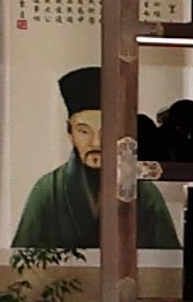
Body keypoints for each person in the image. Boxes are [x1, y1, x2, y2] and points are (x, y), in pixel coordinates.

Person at [9, 64, 172, 257]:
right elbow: (22, 259)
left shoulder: (144, 192)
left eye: (106, 131)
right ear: (69, 131)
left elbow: (169, 257)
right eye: (84, 131)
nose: (95, 142)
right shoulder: (48, 190)